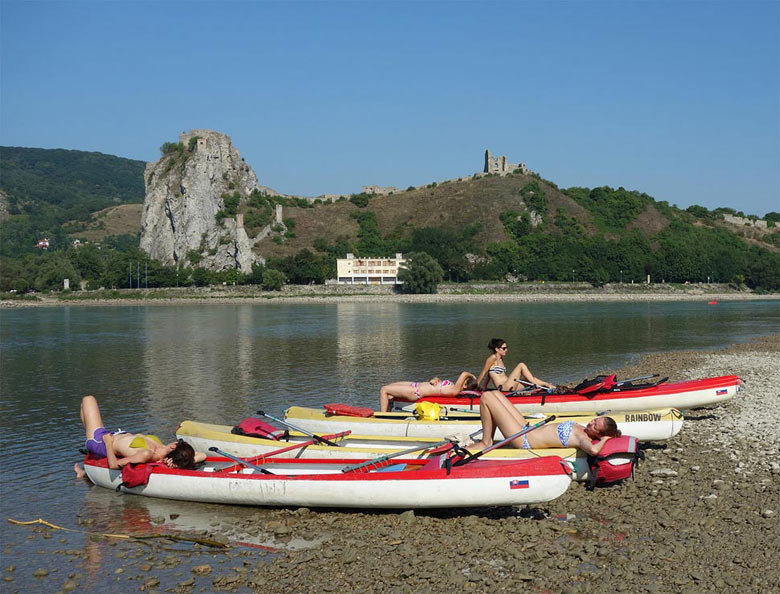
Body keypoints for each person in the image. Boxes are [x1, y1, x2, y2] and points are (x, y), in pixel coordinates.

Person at [75, 395, 205, 477]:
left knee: (88, 399)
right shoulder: (161, 449)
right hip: (115, 435)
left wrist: (108, 443)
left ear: (173, 446)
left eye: (178, 442)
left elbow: (114, 465)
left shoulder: (146, 454)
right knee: (84, 406)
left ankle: (89, 449)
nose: (175, 441)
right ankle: (87, 473)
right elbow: (202, 455)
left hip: (100, 441)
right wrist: (178, 462)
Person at [468, 390, 621, 456]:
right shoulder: (582, 429)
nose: (591, 423)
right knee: (496, 394)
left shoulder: (583, 439)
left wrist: (606, 439)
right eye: (595, 420)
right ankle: (487, 438)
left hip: (524, 439)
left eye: (595, 426)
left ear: (599, 434)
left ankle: (486, 441)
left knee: (486, 397)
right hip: (526, 428)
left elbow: (594, 451)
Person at [476, 338, 555, 391]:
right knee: (521, 365)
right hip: (504, 387)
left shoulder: (501, 359)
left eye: (506, 348)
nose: (506, 350)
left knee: (531, 379)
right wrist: (476, 387)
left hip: (509, 384)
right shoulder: (492, 358)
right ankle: (538, 385)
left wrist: (484, 387)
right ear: (497, 349)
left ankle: (549, 385)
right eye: (504, 348)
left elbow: (490, 375)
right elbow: (484, 372)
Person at [379, 372, 478, 412]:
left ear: (464, 385)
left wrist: (471, 376)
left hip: (415, 392)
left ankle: (382, 418)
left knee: (384, 389)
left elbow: (464, 373)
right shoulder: (453, 387)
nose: (460, 381)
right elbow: (440, 383)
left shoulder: (455, 390)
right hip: (415, 385)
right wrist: (435, 379)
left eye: (464, 381)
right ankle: (388, 413)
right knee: (389, 388)